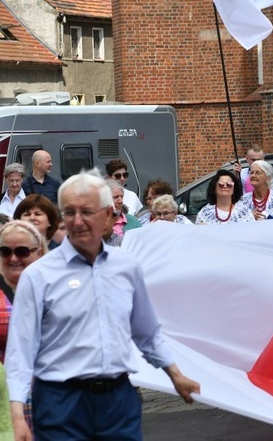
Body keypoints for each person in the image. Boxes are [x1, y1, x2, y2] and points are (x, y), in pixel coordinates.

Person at [5, 170, 201, 440]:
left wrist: (175, 374)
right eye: (69, 212)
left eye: (87, 211)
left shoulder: (127, 267)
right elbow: (21, 352)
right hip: (60, 403)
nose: (78, 221)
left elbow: (146, 332)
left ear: (108, 215)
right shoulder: (38, 275)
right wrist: (18, 416)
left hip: (118, 401)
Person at [0, 221, 48, 361]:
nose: (14, 258)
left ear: (39, 253)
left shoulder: (54, 288)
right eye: (5, 251)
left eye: (22, 252)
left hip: (45, 378)